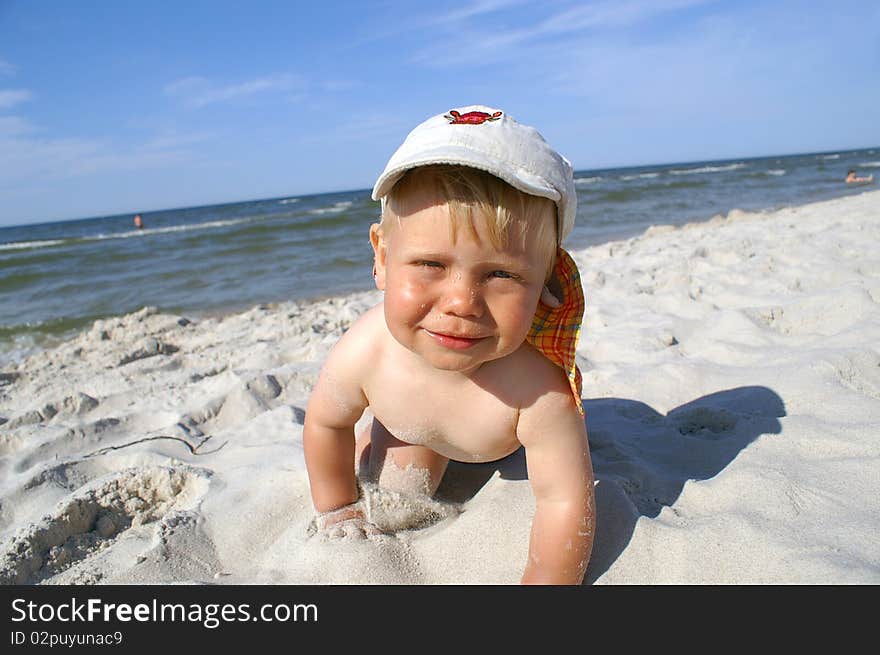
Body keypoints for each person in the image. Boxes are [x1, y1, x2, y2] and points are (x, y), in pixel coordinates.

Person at [303, 105, 595, 585]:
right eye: (430, 265)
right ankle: (387, 442)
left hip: (492, 444)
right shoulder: (367, 349)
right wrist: (336, 507)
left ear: (547, 282)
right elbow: (324, 422)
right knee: (398, 492)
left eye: (501, 274)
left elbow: (566, 502)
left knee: (558, 461)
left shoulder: (538, 393)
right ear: (381, 257)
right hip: (409, 425)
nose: (462, 302)